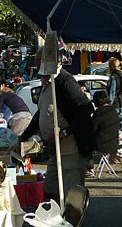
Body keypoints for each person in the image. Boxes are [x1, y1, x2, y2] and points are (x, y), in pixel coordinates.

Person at [19, 47, 95, 201]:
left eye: (38, 61)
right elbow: (41, 113)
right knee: (50, 190)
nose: (35, 64)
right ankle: (56, 220)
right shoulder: (47, 82)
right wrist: (24, 137)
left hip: (70, 148)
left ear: (50, 62)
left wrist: (65, 132)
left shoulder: (65, 81)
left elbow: (86, 108)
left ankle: (71, 223)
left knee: (71, 193)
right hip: (55, 149)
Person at [87, 89, 120, 175]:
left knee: (85, 144)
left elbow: (92, 128)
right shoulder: (113, 111)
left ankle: (89, 168)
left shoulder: (99, 112)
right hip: (114, 143)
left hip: (102, 144)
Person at [107, 57, 122, 130]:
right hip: (121, 103)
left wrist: (109, 105)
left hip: (115, 104)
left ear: (111, 66)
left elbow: (112, 92)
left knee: (114, 127)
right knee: (121, 126)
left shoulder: (113, 77)